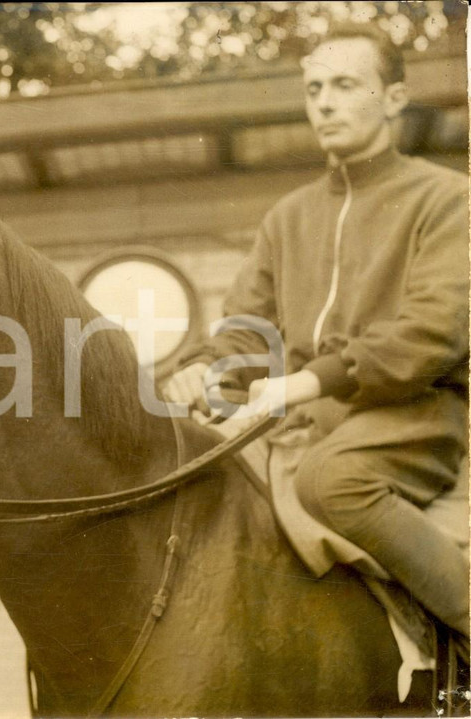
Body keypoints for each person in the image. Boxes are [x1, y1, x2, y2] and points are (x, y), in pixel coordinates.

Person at [163, 22, 469, 636]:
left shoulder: (447, 201)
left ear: (393, 98)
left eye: (346, 85)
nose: (324, 102)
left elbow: (434, 332)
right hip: (299, 423)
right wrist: (205, 367)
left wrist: (303, 383)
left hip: (412, 417)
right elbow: (248, 330)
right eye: (314, 88)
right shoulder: (288, 216)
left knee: (332, 481)